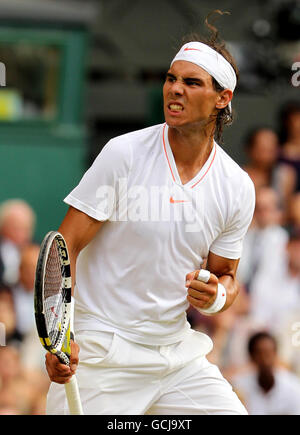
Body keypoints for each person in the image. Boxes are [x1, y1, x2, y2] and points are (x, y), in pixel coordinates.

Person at [45, 15, 255, 415]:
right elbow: (63, 245)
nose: (175, 89)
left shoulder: (237, 185)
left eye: (191, 83)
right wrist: (60, 335)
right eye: (171, 78)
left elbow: (227, 276)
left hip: (177, 358)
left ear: (222, 98)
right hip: (100, 355)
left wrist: (215, 297)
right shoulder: (123, 154)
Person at [232, 332, 300, 415]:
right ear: (251, 357)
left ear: (276, 354)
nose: (265, 360)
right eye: (259, 354)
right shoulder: (239, 387)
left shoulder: (293, 386)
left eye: (268, 354)